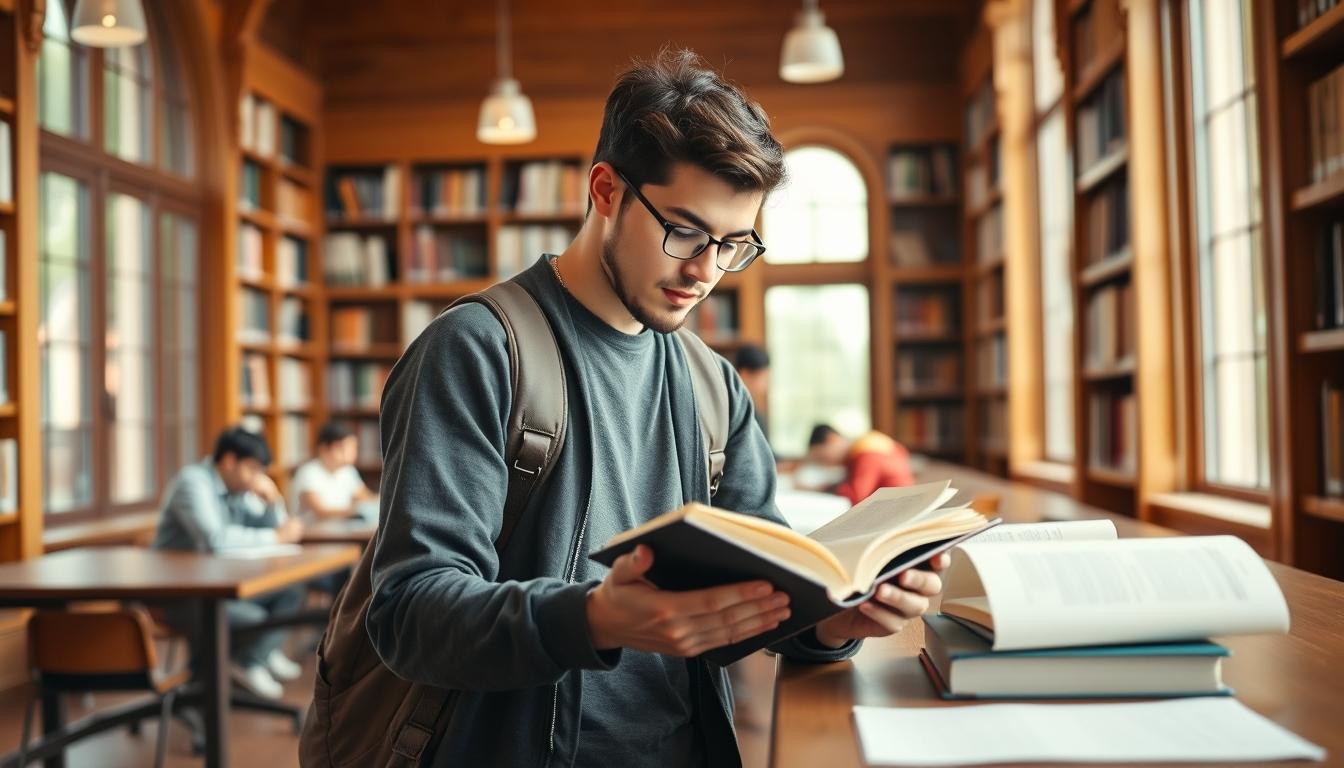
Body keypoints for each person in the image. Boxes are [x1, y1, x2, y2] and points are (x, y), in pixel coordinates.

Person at [368, 49, 949, 767]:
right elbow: (409, 614)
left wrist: (834, 620)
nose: (704, 270)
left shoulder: (713, 387)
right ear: (606, 190)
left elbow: (760, 597)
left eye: (733, 244)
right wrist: (593, 619)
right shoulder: (476, 351)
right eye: (685, 231)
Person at [151, 426, 306, 700]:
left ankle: (255, 659)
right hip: (182, 594)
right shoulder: (193, 483)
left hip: (221, 585)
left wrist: (274, 502)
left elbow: (267, 529)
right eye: (253, 469)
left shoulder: (237, 489)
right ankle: (239, 667)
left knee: (291, 589)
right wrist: (276, 536)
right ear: (229, 460)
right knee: (254, 619)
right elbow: (216, 539)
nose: (257, 478)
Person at [805, 424, 916, 505]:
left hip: (896, 508)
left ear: (832, 439)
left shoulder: (867, 452)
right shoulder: (866, 446)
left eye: (822, 458)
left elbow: (856, 495)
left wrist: (823, 489)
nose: (825, 464)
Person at [289, 422, 378, 520]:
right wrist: (357, 509)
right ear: (324, 449)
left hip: (340, 526)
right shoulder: (308, 472)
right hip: (312, 528)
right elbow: (321, 511)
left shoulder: (348, 471)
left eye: (353, 448)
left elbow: (365, 497)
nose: (349, 454)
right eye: (342, 448)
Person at [733, 343, 771, 441]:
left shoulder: (751, 408)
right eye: (763, 377)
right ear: (745, 374)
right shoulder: (736, 411)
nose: (766, 384)